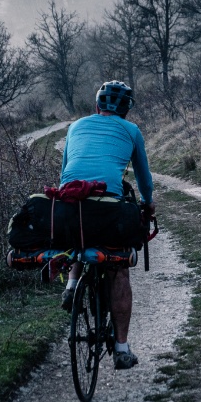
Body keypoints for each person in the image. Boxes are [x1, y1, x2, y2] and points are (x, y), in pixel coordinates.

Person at [59, 80, 154, 370]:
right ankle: (122, 350)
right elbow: (143, 177)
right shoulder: (132, 131)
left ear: (97, 104)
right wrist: (149, 203)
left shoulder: (74, 126)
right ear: (126, 109)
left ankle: (73, 285)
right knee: (119, 270)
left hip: (69, 203)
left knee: (81, 233)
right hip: (108, 207)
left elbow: (65, 170)